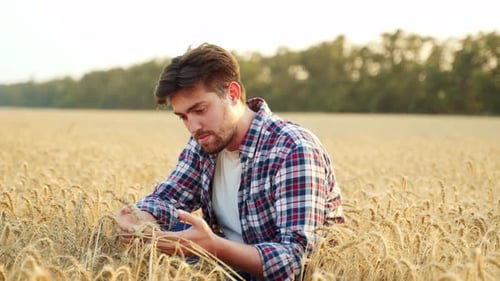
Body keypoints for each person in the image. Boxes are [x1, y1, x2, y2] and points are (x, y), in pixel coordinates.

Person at [116, 43, 344, 280]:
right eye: (183, 117)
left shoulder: (293, 149)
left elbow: (296, 261)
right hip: (225, 265)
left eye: (200, 110)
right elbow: (168, 197)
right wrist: (139, 218)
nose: (193, 127)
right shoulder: (205, 141)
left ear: (233, 94)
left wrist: (212, 246)